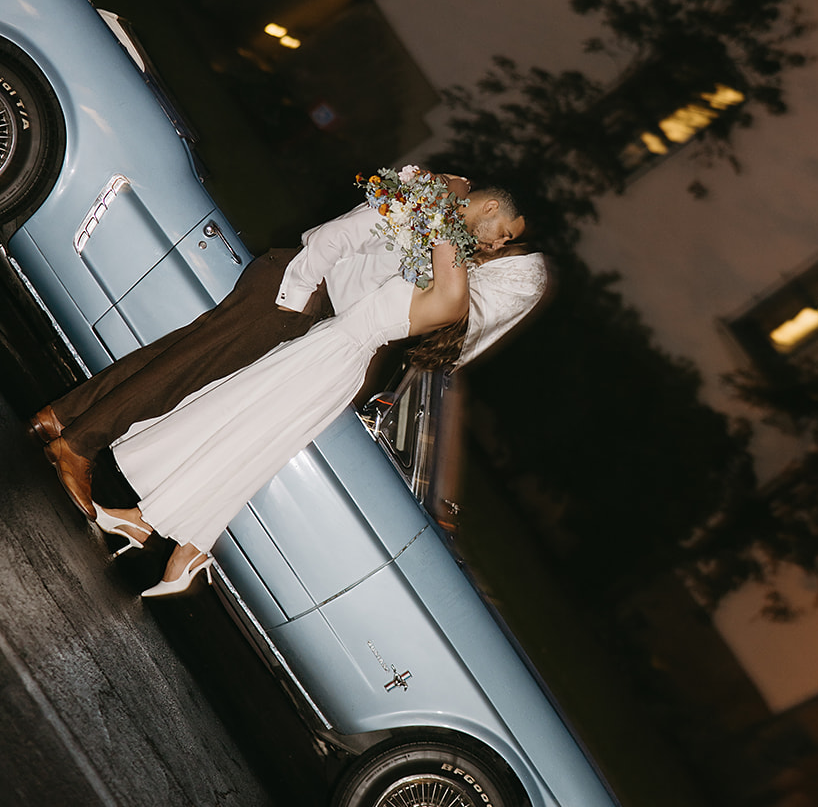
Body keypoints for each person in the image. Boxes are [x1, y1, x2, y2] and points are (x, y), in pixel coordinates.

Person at [33, 178, 525, 518]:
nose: (499, 245)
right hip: (292, 293)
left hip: (302, 302)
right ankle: (77, 446)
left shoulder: (439, 221)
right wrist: (295, 297)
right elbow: (337, 235)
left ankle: (62, 414)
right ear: (488, 208)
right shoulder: (423, 199)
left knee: (172, 357)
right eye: (504, 234)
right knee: (179, 377)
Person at [91, 243, 547, 596]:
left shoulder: (452, 293)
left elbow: (448, 218)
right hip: (328, 350)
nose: (488, 248)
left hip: (331, 357)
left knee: (241, 435)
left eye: (502, 248)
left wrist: (445, 199)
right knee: (236, 429)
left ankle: (161, 531)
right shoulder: (447, 282)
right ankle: (171, 538)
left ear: (504, 272)